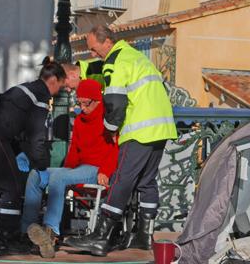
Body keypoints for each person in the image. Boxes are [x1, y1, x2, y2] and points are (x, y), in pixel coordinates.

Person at [66, 25, 177, 256]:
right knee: (147, 181)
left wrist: (109, 129)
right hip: (162, 126)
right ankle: (144, 237)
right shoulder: (136, 56)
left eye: (93, 49)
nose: (93, 54)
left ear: (107, 42)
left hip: (139, 129)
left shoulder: (116, 61)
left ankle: (101, 237)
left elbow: (115, 102)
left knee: (120, 179)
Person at [0, 59, 66, 256]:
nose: (59, 91)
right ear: (53, 80)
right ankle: (7, 241)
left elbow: (13, 121)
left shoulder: (24, 89)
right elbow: (37, 136)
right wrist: (41, 166)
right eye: (61, 85)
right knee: (12, 188)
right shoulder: (40, 95)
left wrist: (20, 152)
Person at [20, 79, 118, 258]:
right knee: (37, 174)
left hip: (97, 170)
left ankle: (51, 234)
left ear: (97, 100)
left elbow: (116, 149)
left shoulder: (108, 119)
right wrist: (67, 170)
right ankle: (27, 231)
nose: (82, 107)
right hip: (80, 169)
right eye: (79, 102)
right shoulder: (80, 120)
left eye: (85, 103)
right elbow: (74, 151)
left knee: (59, 178)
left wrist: (106, 170)